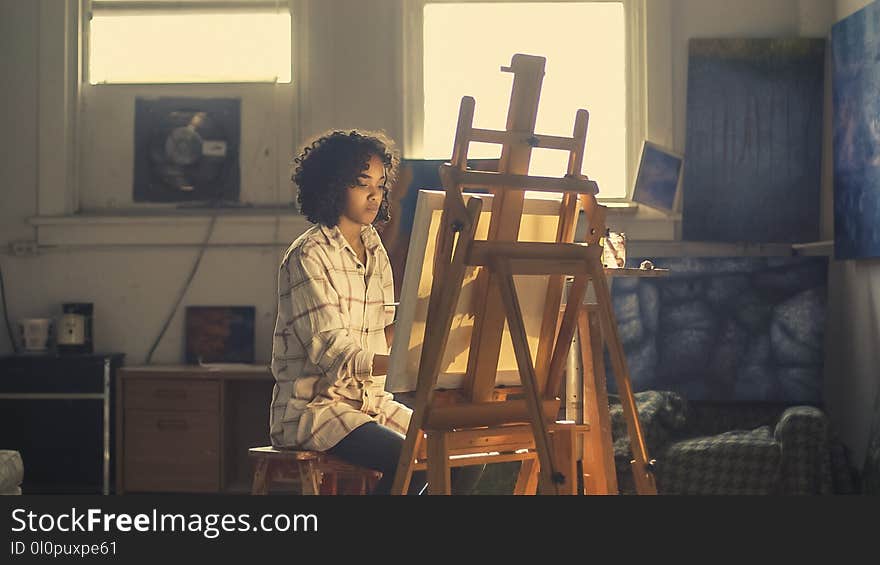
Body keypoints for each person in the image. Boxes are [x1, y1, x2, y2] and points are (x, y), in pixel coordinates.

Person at [270, 129, 483, 494]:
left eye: (381, 185)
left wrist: (422, 328)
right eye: (361, 183)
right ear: (334, 185)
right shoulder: (309, 255)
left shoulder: (375, 249)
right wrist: (408, 363)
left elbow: (384, 334)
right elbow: (333, 353)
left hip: (372, 403)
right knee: (409, 461)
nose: (374, 195)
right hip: (318, 409)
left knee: (466, 454)